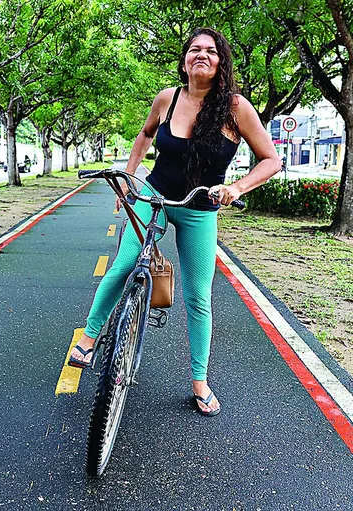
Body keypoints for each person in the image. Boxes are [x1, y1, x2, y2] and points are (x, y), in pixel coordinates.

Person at [68, 27, 281, 416]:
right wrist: (128, 181)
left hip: (200, 208)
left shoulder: (236, 108)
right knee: (124, 264)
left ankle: (199, 381)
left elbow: (271, 159)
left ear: (221, 63)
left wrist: (236, 187)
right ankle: (90, 336)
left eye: (211, 51)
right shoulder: (167, 99)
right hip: (156, 195)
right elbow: (145, 134)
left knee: (199, 296)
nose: (202, 55)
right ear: (184, 60)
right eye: (195, 50)